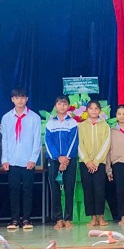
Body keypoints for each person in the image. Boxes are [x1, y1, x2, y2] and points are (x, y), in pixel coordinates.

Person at [1, 88, 41, 231]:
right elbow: (4, 140)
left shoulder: (34, 118)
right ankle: (14, 219)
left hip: (27, 160)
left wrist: (33, 158)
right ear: (12, 99)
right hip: (12, 160)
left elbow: (37, 140)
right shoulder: (6, 118)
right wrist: (4, 159)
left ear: (27, 99)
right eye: (17, 98)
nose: (20, 100)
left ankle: (27, 219)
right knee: (13, 190)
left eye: (22, 97)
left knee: (28, 190)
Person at [45, 95, 78, 229]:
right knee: (55, 189)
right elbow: (48, 142)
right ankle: (58, 218)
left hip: (70, 160)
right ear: (55, 106)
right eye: (59, 104)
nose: (62, 106)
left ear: (68, 106)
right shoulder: (50, 123)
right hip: (54, 160)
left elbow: (74, 141)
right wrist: (58, 157)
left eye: (64, 104)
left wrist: (66, 158)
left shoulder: (73, 123)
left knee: (69, 188)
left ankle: (68, 218)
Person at [78, 100, 111, 227]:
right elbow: (79, 144)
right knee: (88, 190)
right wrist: (87, 161)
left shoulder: (105, 126)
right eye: (91, 108)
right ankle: (92, 218)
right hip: (85, 163)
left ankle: (101, 217)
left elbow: (106, 145)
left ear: (100, 111)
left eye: (96, 108)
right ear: (86, 110)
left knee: (99, 190)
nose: (93, 111)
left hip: (99, 163)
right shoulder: (80, 126)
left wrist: (96, 161)